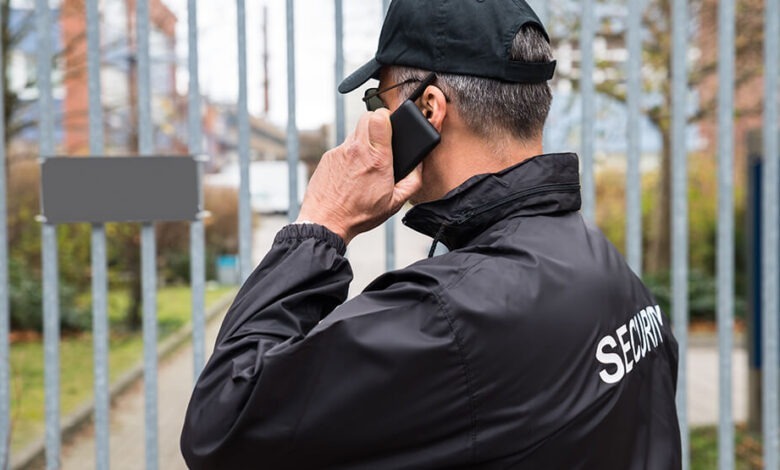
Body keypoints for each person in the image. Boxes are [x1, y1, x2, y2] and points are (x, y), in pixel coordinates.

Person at [180, 0, 682, 468]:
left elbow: (223, 425)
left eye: (380, 96)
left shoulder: (450, 315)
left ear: (429, 108)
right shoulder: (606, 265)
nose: (376, 114)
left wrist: (322, 225)